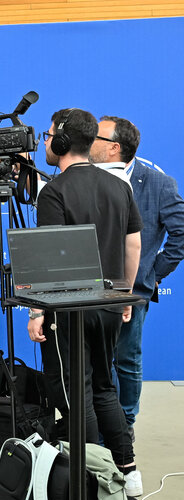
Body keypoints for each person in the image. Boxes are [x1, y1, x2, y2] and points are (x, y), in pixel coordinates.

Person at [28, 108, 143, 496]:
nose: (44, 141)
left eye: (47, 135)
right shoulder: (120, 187)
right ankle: (126, 469)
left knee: (75, 394)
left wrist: (36, 311)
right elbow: (133, 243)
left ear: (60, 141)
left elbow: (48, 260)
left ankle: (94, 477)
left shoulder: (54, 192)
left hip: (69, 312)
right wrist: (124, 291)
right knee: (104, 388)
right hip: (110, 305)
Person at [90, 115, 184, 439]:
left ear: (115, 147)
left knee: (126, 362)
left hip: (133, 291)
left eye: (96, 137)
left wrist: (151, 273)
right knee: (93, 365)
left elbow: (181, 233)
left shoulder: (157, 183)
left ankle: (124, 426)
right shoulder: (88, 179)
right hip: (88, 290)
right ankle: (95, 427)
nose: (89, 141)